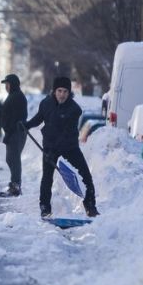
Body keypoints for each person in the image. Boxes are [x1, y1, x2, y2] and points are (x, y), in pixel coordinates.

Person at [25, 77, 98, 219]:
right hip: (50, 146)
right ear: (54, 91)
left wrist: (53, 150)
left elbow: (66, 133)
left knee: (85, 175)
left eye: (65, 91)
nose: (62, 94)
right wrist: (27, 125)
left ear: (69, 92)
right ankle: (45, 207)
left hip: (69, 147)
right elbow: (39, 118)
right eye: (59, 91)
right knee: (47, 178)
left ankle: (90, 206)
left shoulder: (74, 109)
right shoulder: (45, 104)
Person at [0, 74, 27, 197]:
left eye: (7, 84)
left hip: (16, 132)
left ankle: (16, 186)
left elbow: (17, 116)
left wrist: (10, 128)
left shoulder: (17, 97)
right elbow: (7, 111)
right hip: (13, 131)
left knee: (13, 159)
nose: (6, 87)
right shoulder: (13, 96)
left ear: (13, 84)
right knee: (11, 159)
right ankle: (15, 184)